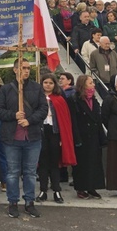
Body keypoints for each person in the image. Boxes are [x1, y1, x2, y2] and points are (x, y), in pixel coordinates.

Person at [0, 59, 46, 218]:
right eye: (23, 68)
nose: (26, 71)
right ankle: (13, 202)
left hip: (32, 137)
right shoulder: (6, 90)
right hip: (12, 138)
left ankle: (29, 202)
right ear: (15, 70)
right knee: (12, 172)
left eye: (28, 68)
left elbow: (43, 109)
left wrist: (29, 120)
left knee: (30, 172)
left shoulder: (36, 88)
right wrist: (13, 115)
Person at [36, 73, 76, 205]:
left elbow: (64, 120)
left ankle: (57, 190)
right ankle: (43, 190)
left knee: (54, 163)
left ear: (55, 85)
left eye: (51, 83)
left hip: (55, 133)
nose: (48, 85)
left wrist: (62, 138)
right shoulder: (37, 98)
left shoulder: (59, 99)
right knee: (42, 163)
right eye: (45, 82)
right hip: (41, 133)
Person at [68, 75, 105, 199]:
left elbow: (98, 119)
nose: (93, 85)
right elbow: (73, 120)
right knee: (82, 163)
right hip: (82, 135)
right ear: (83, 84)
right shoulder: (74, 99)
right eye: (90, 83)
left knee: (94, 162)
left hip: (94, 135)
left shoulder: (94, 100)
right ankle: (81, 187)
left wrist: (102, 137)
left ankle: (92, 186)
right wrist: (76, 138)